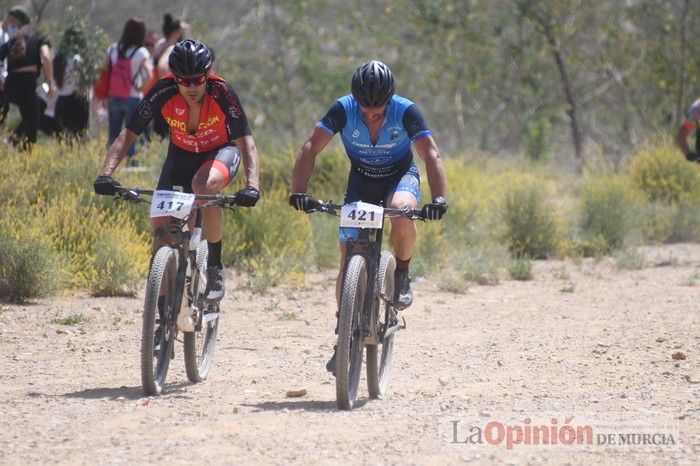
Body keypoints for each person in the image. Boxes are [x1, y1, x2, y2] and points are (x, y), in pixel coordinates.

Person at [289, 60, 448, 373]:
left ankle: (402, 272)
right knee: (347, 255)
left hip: (400, 176)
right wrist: (300, 191)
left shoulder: (406, 111)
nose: (371, 115)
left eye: (378, 111)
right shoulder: (342, 109)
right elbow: (310, 147)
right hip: (361, 182)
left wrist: (439, 198)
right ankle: (344, 334)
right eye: (365, 110)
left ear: (390, 100)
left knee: (402, 211)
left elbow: (430, 154)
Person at [93, 39, 261, 304]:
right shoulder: (163, 90)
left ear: (209, 73)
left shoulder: (223, 92)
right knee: (162, 230)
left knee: (204, 187)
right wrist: (106, 173)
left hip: (220, 151)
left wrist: (252, 185)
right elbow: (128, 134)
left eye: (199, 79)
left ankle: (215, 265)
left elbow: (247, 144)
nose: (192, 87)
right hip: (181, 155)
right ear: (175, 77)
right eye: (184, 81)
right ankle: (160, 321)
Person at [0, 5, 55, 150]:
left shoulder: (14, 38)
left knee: (38, 107)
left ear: (17, 22)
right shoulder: (38, 36)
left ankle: (12, 141)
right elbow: (46, 57)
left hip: (10, 83)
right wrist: (50, 83)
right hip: (26, 82)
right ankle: (23, 151)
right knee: (32, 126)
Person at [103, 17, 152, 164]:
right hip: (132, 97)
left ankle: (110, 165)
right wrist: (141, 86)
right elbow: (149, 75)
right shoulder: (141, 52)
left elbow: (104, 67)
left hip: (114, 96)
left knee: (113, 133)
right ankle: (132, 164)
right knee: (130, 134)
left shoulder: (113, 48)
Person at [151, 13, 189, 139]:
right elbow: (162, 68)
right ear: (176, 33)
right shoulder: (172, 49)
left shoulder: (159, 45)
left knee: (158, 130)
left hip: (154, 91)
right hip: (169, 94)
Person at [51, 25, 90, 140]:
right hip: (77, 101)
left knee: (63, 138)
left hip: (61, 101)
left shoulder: (58, 59)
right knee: (78, 138)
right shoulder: (77, 59)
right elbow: (84, 81)